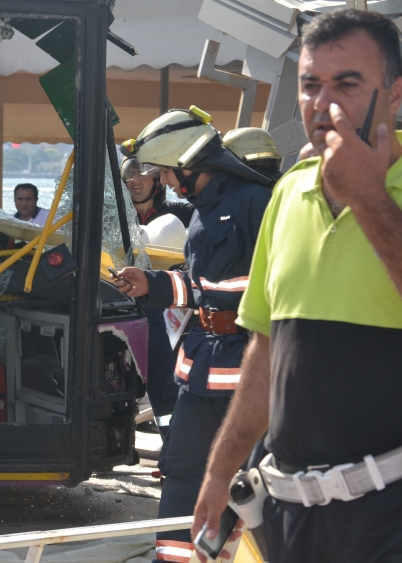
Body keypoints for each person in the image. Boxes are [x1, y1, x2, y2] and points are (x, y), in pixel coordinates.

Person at [193, 9, 402, 563]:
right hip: (288, 519)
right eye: (311, 85)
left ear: (397, 94)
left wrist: (369, 197)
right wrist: (220, 470)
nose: (323, 104)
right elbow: (266, 351)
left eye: (348, 84)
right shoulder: (288, 192)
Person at [114, 106, 273, 563]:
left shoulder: (256, 203)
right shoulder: (205, 212)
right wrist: (156, 284)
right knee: (182, 471)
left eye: (164, 171)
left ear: (186, 164)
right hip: (202, 370)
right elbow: (205, 286)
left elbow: (274, 288)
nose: (162, 181)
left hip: (247, 374)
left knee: (254, 483)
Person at [121, 156, 194, 454]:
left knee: (165, 382)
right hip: (119, 304)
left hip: (163, 309)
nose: (135, 180)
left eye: (142, 175)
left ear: (156, 182)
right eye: (129, 176)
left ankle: (174, 450)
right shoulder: (115, 217)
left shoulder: (179, 213)